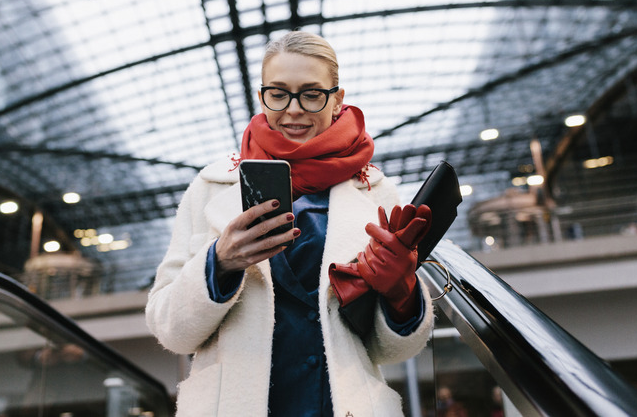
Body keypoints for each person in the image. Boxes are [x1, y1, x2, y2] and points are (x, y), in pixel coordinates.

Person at [145, 30, 435, 416]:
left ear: (337, 101)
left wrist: (401, 294)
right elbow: (170, 329)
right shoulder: (213, 186)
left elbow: (395, 350)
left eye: (312, 93)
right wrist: (220, 262)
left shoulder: (375, 190)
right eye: (278, 93)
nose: (293, 109)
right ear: (262, 97)